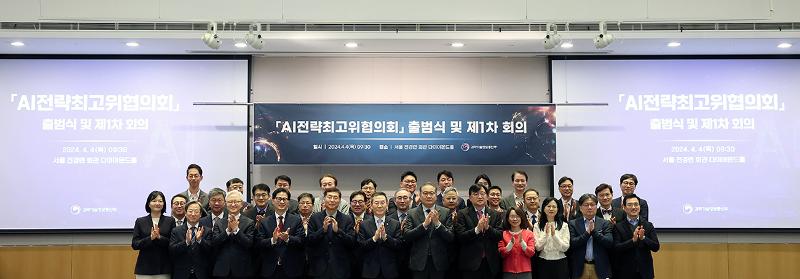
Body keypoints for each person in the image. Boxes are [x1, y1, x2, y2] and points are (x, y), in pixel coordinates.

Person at [403, 183, 455, 279]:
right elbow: (407, 236)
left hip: (439, 262)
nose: (428, 196)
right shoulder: (412, 213)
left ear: (436, 195)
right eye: (425, 193)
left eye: (431, 193)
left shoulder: (445, 212)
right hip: (419, 262)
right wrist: (424, 225)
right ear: (420, 195)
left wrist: (437, 224)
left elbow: (450, 237)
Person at [455, 184, 503, 279]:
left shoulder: (495, 214)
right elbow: (460, 237)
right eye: (476, 194)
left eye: (483, 193)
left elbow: (499, 236)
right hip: (470, 264)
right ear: (470, 198)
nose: (480, 196)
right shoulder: (462, 214)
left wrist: (488, 228)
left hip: (490, 264)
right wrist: (477, 229)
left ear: (487, 196)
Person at [306, 188, 356, 279]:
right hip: (319, 267)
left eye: (335, 197)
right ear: (324, 199)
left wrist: (338, 231)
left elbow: (352, 242)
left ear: (340, 201)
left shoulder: (347, 219)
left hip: (340, 267)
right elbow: (309, 241)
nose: (332, 200)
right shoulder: (315, 217)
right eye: (329, 197)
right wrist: (323, 230)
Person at [256, 188, 305, 279]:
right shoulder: (265, 222)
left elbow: (301, 241)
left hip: (291, 269)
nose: (282, 201)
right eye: (279, 199)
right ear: (273, 201)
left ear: (288, 202)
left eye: (284, 199)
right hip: (270, 269)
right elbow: (259, 243)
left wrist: (288, 238)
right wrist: (273, 240)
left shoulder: (296, 220)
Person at [210, 190, 256, 279]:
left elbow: (249, 243)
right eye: (230, 202)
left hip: (242, 269)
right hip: (222, 269)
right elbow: (214, 243)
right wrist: (227, 231)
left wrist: (236, 230)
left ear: (242, 204)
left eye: (236, 201)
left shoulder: (249, 222)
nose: (233, 204)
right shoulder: (219, 223)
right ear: (226, 204)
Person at [613, 194, 660, 279]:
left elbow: (656, 247)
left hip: (645, 271)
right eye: (630, 205)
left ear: (639, 206)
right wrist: (633, 241)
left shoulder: (648, 225)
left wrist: (643, 238)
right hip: (625, 271)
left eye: (636, 204)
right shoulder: (618, 226)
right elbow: (616, 247)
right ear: (624, 207)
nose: (633, 207)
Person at [358, 192, 403, 279]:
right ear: (371, 205)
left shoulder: (395, 223)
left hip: (390, 270)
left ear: (387, 205)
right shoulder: (364, 224)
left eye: (382, 203)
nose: (379, 206)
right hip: (370, 270)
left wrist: (386, 238)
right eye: (376, 203)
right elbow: (361, 246)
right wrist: (374, 238)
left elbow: (399, 245)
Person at [568, 194, 614, 279]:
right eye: (586, 205)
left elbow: (609, 243)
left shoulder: (604, 223)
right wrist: (587, 233)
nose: (589, 207)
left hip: (600, 267)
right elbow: (572, 243)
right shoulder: (573, 223)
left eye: (592, 205)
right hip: (580, 267)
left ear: (596, 207)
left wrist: (594, 232)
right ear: (581, 208)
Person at [132, 190, 175, 279]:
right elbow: (135, 244)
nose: (157, 203)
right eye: (154, 201)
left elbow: (172, 243)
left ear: (164, 204)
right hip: (144, 267)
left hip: (163, 267)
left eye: (160, 201)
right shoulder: (140, 221)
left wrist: (159, 237)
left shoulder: (170, 221)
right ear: (149, 204)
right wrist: (150, 238)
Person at [169, 201, 212, 279]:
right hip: (181, 274)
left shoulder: (207, 231)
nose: (193, 214)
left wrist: (200, 240)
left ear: (200, 214)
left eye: (196, 211)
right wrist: (186, 242)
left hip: (201, 274)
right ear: (185, 213)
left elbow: (211, 250)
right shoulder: (176, 231)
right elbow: (172, 251)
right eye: (190, 211)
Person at [533, 197, 570, 279]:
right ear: (544, 208)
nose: (551, 209)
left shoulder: (564, 225)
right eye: (548, 206)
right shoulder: (537, 225)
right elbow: (537, 247)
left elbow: (565, 248)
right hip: (543, 261)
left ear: (558, 209)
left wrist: (554, 236)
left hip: (560, 262)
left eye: (554, 206)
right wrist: (546, 235)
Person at [497, 207, 535, 279]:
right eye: (512, 216)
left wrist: (522, 243)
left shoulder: (529, 233)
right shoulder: (503, 234)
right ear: (508, 219)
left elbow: (531, 253)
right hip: (508, 271)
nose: (515, 219)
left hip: (525, 271)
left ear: (522, 218)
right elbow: (501, 254)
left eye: (517, 216)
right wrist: (510, 245)